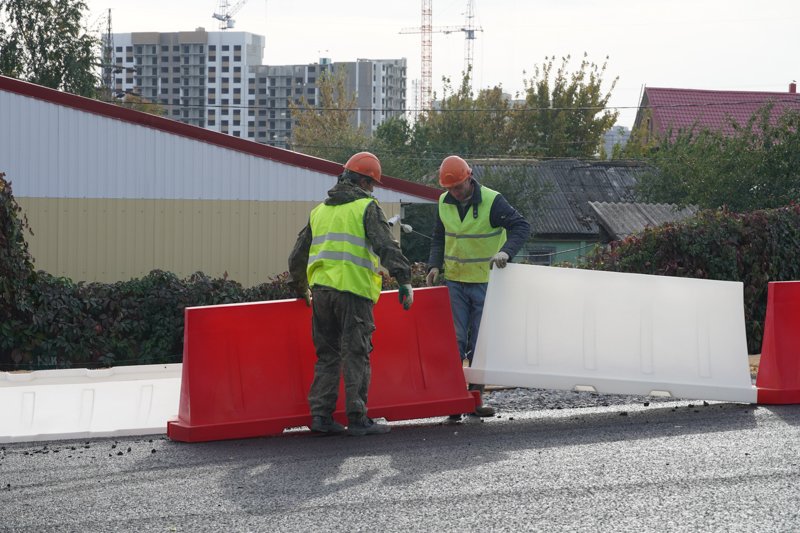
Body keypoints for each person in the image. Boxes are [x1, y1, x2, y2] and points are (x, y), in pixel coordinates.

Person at [288, 151, 414, 437]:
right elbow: (386, 246)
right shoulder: (366, 208)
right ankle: (358, 418)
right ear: (363, 181)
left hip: (321, 293)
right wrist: (405, 279)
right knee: (356, 353)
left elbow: (297, 256)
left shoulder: (319, 211)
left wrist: (300, 288)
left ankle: (321, 417)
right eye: (372, 184)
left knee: (327, 355)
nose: (372, 190)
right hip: (353, 292)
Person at [426, 155, 530, 420]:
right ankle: (453, 401)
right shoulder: (443, 202)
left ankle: (475, 399)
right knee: (455, 341)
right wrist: (434, 265)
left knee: (480, 343)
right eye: (450, 189)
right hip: (456, 282)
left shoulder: (493, 202)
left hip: (485, 282)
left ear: (469, 178)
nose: (455, 193)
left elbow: (521, 227)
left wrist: (506, 253)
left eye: (458, 187)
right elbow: (440, 236)